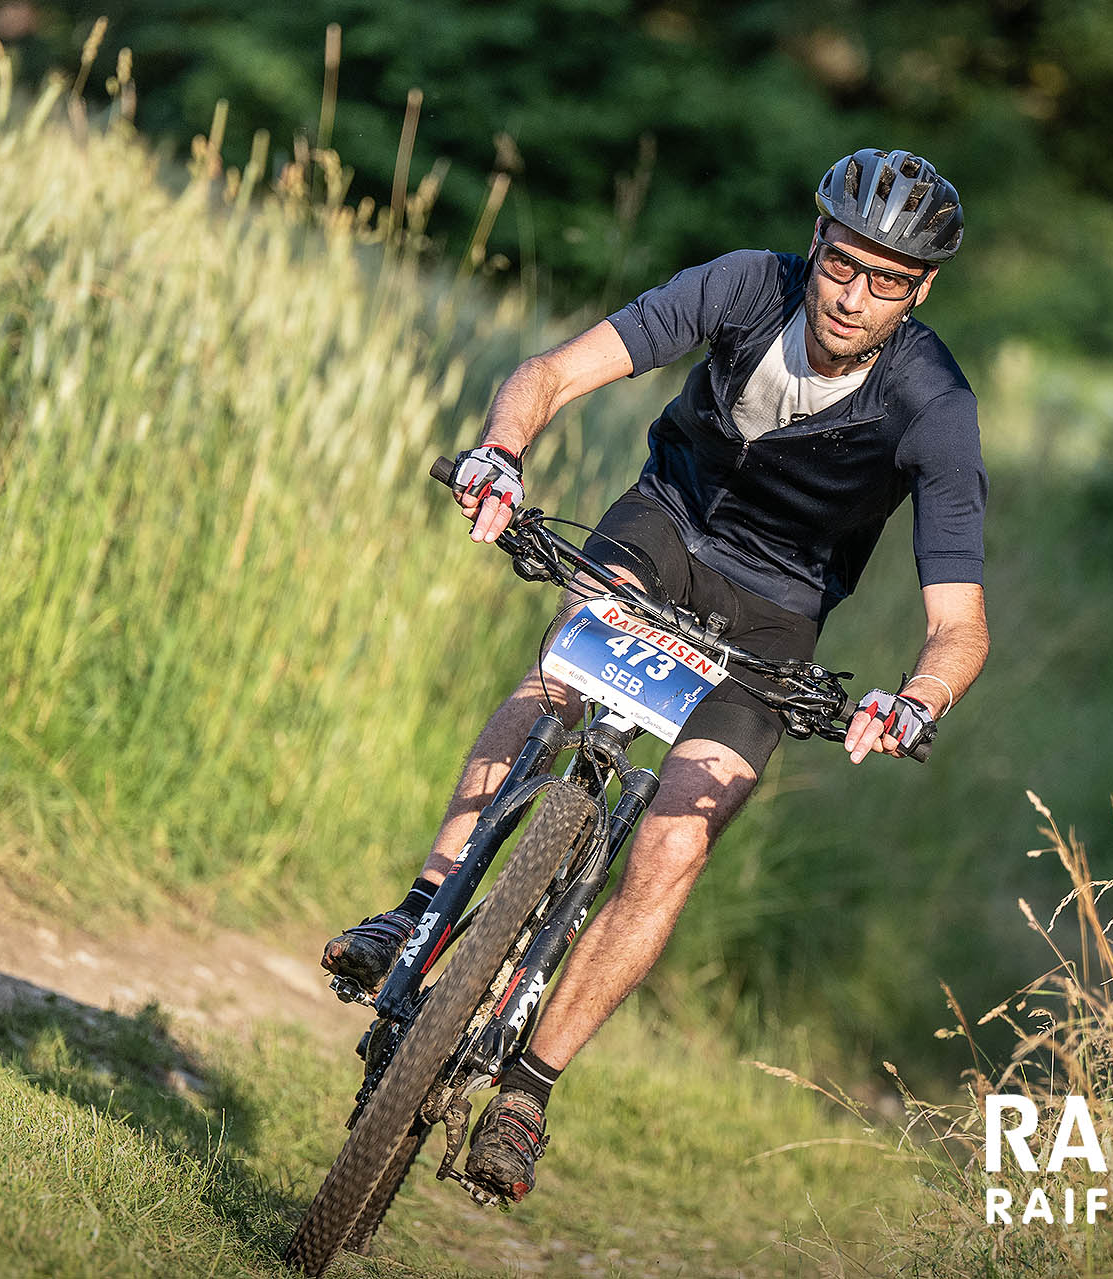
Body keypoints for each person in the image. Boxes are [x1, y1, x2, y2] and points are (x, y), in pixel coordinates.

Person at [323, 148, 991, 1203]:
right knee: (559, 679)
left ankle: (527, 1092)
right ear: (815, 242)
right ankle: (417, 912)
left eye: (887, 280)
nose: (853, 296)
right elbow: (551, 373)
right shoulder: (744, 286)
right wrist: (501, 452)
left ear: (922, 291)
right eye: (841, 263)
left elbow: (959, 624)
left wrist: (916, 700)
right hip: (664, 528)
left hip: (777, 615)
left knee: (676, 841)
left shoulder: (934, 404)